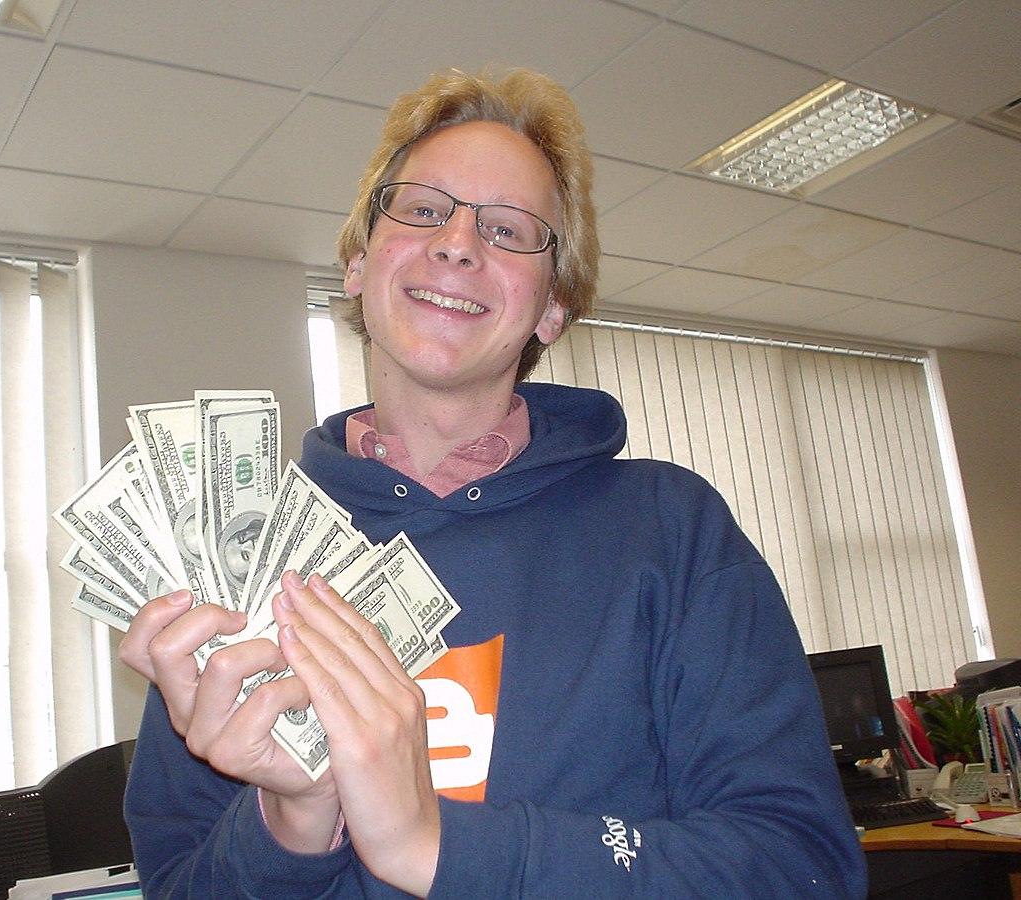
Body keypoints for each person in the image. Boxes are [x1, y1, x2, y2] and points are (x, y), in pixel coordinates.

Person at [119, 67, 868, 898]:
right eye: (425, 210)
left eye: (510, 230)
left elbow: (800, 869)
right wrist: (293, 824)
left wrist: (434, 846)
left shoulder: (671, 530)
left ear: (553, 309)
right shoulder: (239, 555)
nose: (458, 242)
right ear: (359, 264)